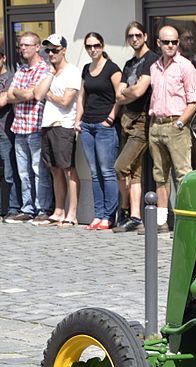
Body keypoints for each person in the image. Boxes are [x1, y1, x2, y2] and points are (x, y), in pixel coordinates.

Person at [148, 25, 196, 233]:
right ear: (158, 43)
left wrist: (180, 123)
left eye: (174, 42)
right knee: (160, 176)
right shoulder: (154, 67)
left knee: (183, 176)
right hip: (156, 126)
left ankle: (184, 222)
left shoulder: (186, 67)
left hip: (176, 125)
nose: (171, 45)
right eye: (166, 42)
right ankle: (161, 221)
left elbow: (194, 101)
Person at [113, 21, 158, 233]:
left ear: (146, 36)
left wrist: (128, 91)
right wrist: (130, 91)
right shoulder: (130, 63)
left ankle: (123, 209)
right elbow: (118, 95)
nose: (134, 39)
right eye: (130, 36)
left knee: (120, 167)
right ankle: (135, 216)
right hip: (127, 120)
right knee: (135, 173)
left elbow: (140, 91)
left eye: (138, 35)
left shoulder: (151, 59)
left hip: (141, 121)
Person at [76, 32, 122, 230]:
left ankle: (109, 216)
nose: (92, 49)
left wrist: (110, 118)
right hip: (87, 126)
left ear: (102, 46)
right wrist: (78, 120)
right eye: (88, 46)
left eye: (96, 45)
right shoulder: (86, 68)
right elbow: (81, 97)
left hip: (104, 126)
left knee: (107, 172)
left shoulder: (112, 68)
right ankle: (98, 214)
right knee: (94, 173)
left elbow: (120, 96)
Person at [5, 32, 52, 224]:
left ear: (37, 47)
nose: (22, 48)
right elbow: (10, 95)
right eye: (20, 45)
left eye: (26, 45)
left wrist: (24, 93)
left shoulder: (44, 69)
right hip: (19, 126)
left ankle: (43, 208)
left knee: (38, 170)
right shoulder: (21, 70)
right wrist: (24, 93)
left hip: (35, 126)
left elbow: (37, 94)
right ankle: (27, 207)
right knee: (23, 172)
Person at [39, 34, 81, 227]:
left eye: (55, 50)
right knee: (54, 170)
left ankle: (72, 213)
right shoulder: (50, 72)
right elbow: (38, 94)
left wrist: (49, 94)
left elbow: (65, 101)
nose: (51, 54)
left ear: (64, 50)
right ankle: (58, 210)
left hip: (64, 125)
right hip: (48, 124)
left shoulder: (72, 72)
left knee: (68, 170)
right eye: (48, 50)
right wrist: (49, 76)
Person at [0, 47, 21, 223]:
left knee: (10, 172)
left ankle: (13, 208)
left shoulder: (11, 78)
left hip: (5, 132)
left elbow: (3, 100)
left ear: (4, 58)